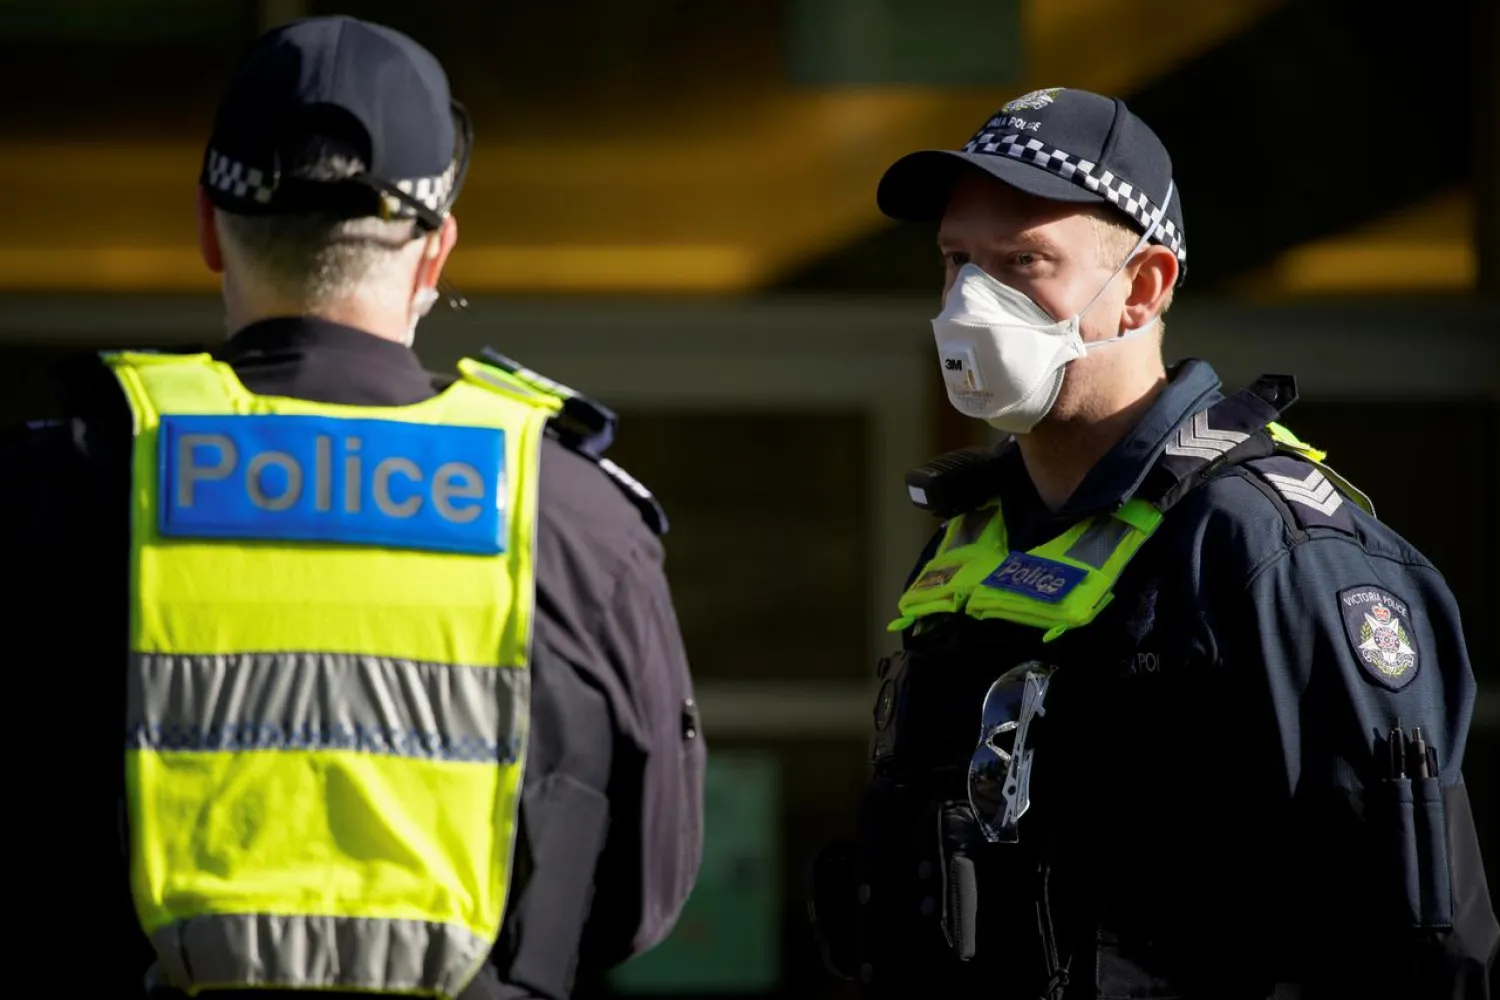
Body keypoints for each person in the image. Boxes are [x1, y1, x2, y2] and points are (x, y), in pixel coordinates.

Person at [2, 16, 703, 1000]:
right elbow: (643, 899)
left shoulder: (61, 486)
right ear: (435, 251)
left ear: (209, 227)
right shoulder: (575, 517)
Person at [807, 87, 1497, 999]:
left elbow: (1414, 940)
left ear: (1142, 288)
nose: (974, 299)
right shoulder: (974, 538)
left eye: (1023, 261)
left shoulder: (1266, 546)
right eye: (956, 260)